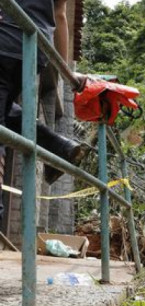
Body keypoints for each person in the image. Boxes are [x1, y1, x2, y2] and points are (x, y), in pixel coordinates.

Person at [0, 0, 90, 222]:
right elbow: (60, 14)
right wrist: (66, 71)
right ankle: (59, 146)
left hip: (4, 41)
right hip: (35, 49)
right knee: (4, 112)